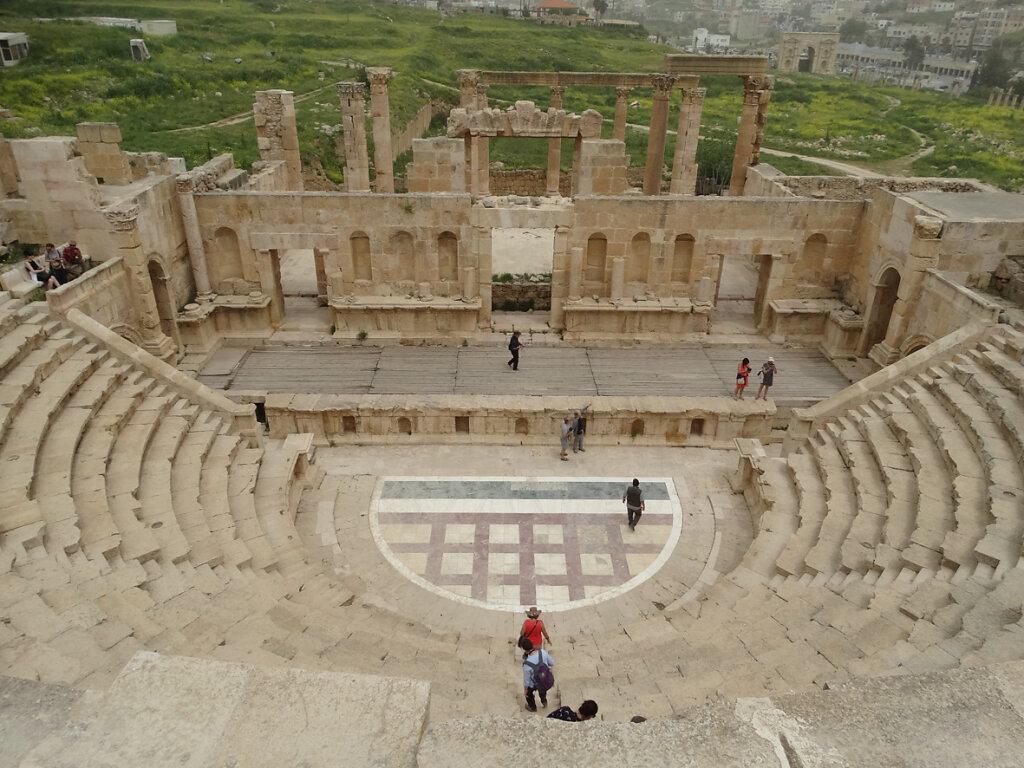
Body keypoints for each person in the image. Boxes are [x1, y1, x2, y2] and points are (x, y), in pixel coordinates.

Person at [520, 637, 554, 712]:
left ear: (525, 650)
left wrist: (525, 690)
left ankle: (533, 707)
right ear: (532, 645)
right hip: (544, 679)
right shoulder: (543, 652)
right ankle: (544, 701)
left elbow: (527, 680)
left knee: (529, 693)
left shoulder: (527, 664)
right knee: (542, 689)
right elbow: (552, 663)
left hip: (535, 683)